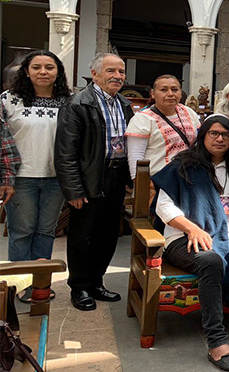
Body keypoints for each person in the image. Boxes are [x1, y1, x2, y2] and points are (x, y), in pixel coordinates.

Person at [152, 116, 229, 372]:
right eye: (214, 133)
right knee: (210, 259)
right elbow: (164, 207)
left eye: (225, 135)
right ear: (203, 136)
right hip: (182, 239)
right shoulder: (182, 167)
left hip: (226, 239)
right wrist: (192, 228)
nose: (219, 138)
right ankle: (217, 342)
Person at [55, 53, 134, 311]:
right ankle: (79, 288)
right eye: (111, 71)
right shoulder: (78, 103)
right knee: (82, 235)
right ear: (95, 73)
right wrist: (74, 189)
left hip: (116, 176)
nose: (118, 76)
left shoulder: (124, 104)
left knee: (109, 233)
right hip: (89, 178)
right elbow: (66, 151)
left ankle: (97, 282)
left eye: (121, 72)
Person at [1, 50, 70, 302]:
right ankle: (19, 285)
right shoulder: (9, 100)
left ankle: (40, 284)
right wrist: (5, 178)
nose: (43, 72)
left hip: (55, 178)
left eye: (49, 67)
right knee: (22, 231)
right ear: (26, 71)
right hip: (21, 178)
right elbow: (1, 143)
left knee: (46, 231)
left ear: (58, 72)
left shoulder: (68, 101)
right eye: (37, 67)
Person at [126, 74, 201, 180]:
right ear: (153, 93)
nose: (170, 94)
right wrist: (139, 185)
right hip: (158, 183)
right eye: (163, 90)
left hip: (188, 179)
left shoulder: (188, 112)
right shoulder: (142, 119)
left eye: (175, 90)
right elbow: (136, 158)